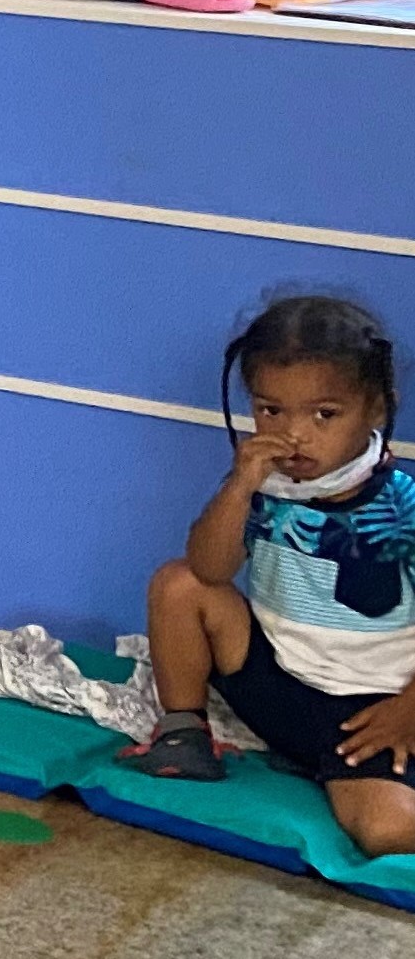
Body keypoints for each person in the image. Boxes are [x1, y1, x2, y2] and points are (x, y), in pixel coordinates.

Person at [126, 293, 415, 854]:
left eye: (324, 415)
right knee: (178, 584)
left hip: (372, 712)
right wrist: (240, 485)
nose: (294, 435)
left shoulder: (402, 507)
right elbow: (210, 568)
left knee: (386, 831)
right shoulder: (266, 486)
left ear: (376, 409)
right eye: (270, 410)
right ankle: (184, 735)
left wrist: (409, 710)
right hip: (279, 684)